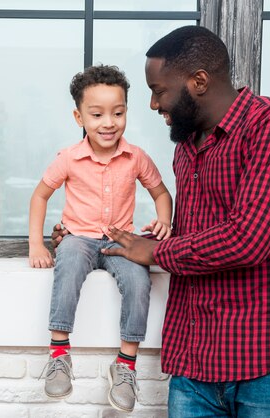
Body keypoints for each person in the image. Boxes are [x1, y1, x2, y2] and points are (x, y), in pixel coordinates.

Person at [52, 26, 270, 417]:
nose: (153, 104)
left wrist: (155, 251)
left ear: (199, 81)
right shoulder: (188, 147)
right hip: (197, 366)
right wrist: (83, 234)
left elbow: (247, 238)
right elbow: (194, 238)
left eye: (159, 90)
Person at [29, 64, 173, 413]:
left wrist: (164, 221)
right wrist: (36, 243)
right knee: (70, 263)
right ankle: (60, 355)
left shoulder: (136, 156)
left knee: (140, 281)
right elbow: (40, 196)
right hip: (79, 236)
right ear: (79, 117)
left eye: (118, 113)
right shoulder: (69, 158)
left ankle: (125, 365)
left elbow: (161, 193)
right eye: (97, 114)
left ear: (126, 112)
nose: (108, 122)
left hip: (120, 241)